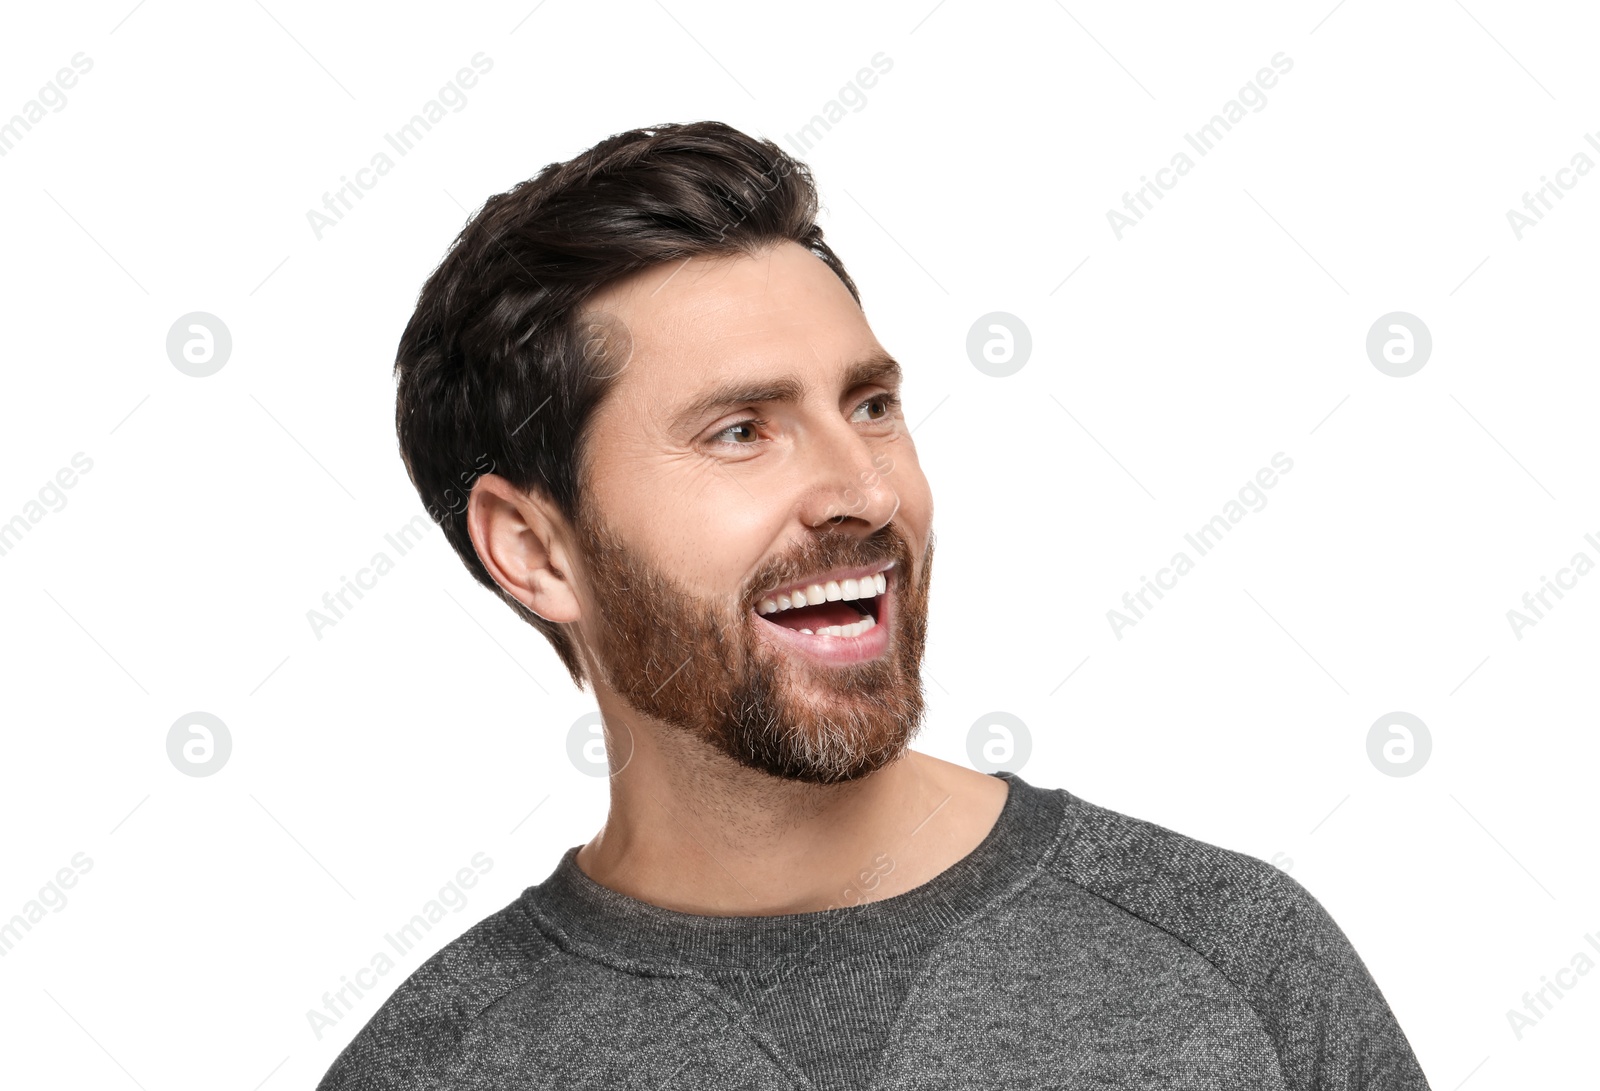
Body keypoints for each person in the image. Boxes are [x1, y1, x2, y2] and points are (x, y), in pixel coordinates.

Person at [317, 120, 1431, 1090]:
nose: (862, 491)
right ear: (534, 549)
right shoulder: (437, 1061)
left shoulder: (1236, 959)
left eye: (871, 404)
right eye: (740, 430)